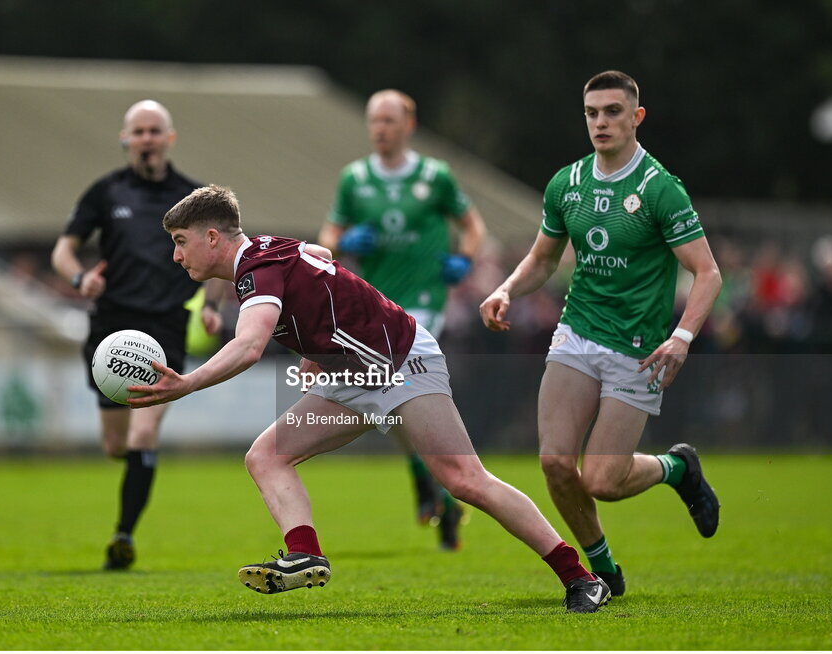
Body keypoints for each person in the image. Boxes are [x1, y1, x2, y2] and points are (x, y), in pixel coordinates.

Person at [128, 185, 611, 613]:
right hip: (353, 374)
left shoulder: (254, 270)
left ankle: (581, 578)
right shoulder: (269, 248)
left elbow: (249, 347)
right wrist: (321, 345)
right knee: (266, 457)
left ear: (212, 238)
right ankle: (306, 554)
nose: (177, 255)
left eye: (180, 241)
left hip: (400, 363)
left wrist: (186, 384)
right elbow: (320, 256)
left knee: (464, 480)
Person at [479, 71, 723, 598]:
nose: (600, 122)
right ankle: (603, 571)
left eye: (612, 112)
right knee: (555, 463)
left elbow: (708, 273)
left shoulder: (660, 188)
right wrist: (506, 290)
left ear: (636, 117)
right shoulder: (567, 184)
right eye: (592, 113)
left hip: (639, 348)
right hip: (579, 331)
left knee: (602, 482)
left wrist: (681, 336)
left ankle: (677, 468)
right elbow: (544, 259)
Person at [51, 100, 223, 571]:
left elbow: (225, 257)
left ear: (170, 138)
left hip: (165, 326)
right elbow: (64, 251)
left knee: (143, 435)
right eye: (138, 131)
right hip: (110, 327)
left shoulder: (194, 198)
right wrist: (78, 279)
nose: (147, 138)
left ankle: (123, 536)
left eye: (155, 130)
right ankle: (128, 503)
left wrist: (210, 305)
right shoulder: (105, 193)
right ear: (126, 139)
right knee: (116, 446)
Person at [317, 90, 488, 550]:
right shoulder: (354, 179)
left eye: (389, 120)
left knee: (396, 391)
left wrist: (465, 259)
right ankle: (434, 483)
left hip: (425, 302)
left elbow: (473, 225)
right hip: (375, 306)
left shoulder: (435, 176)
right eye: (374, 120)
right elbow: (327, 237)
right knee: (392, 404)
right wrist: (346, 239)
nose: (380, 128)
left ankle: (434, 484)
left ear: (408, 125)